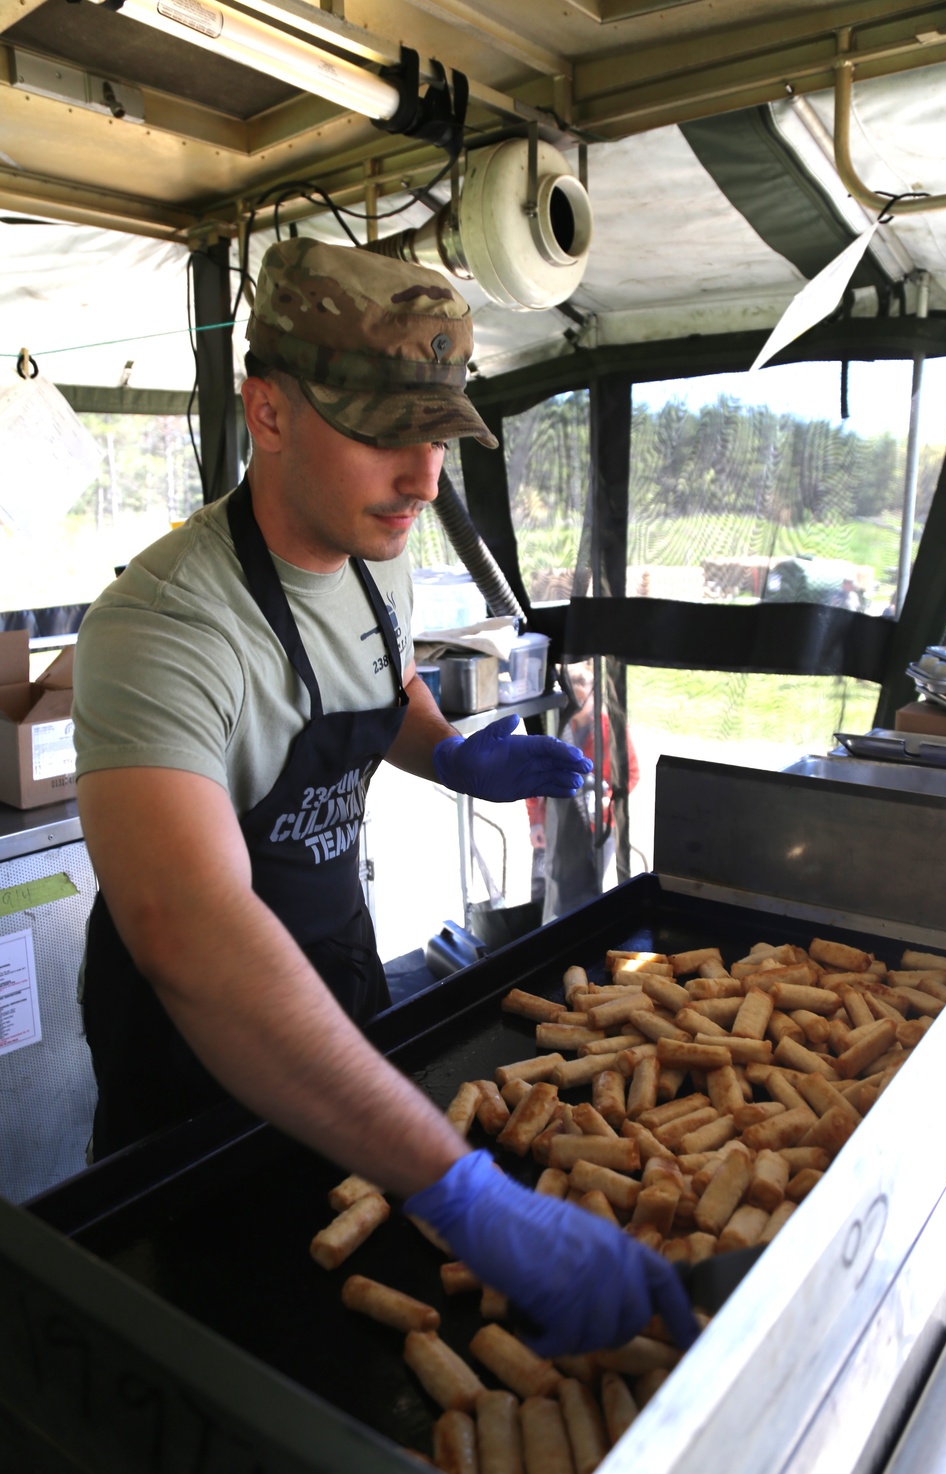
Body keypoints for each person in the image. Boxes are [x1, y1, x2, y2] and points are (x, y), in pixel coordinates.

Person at [72, 238, 696, 1357]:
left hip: (341, 998)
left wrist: (449, 753)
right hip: (194, 1091)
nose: (422, 482)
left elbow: (382, 671)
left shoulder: (377, 547)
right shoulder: (162, 631)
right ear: (268, 413)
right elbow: (188, 932)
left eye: (437, 439)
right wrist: (461, 1189)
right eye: (382, 435)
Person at [528, 663, 640, 917]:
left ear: (594, 694)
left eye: (583, 694)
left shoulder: (610, 728)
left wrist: (606, 800)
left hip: (595, 830)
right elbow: (534, 780)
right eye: (572, 695)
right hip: (554, 827)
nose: (577, 702)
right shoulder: (553, 726)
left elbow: (631, 774)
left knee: (582, 901)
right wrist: (535, 821)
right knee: (543, 895)